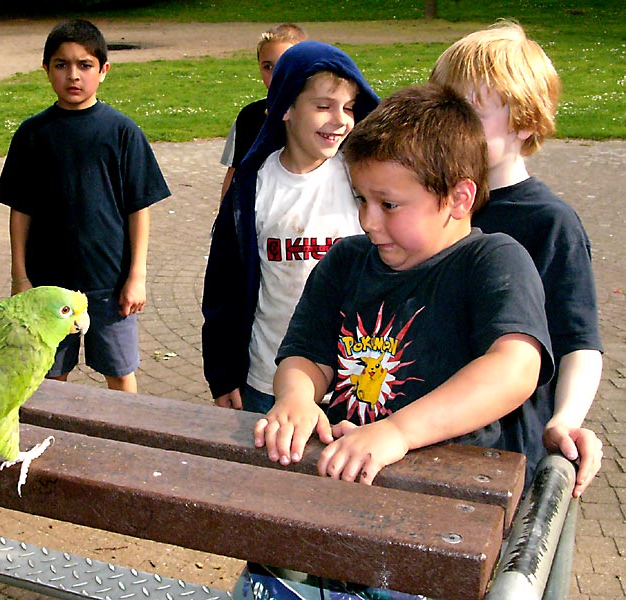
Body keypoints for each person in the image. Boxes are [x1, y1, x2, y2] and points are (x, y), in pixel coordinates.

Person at [240, 83, 553, 600]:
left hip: (436, 526)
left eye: (388, 204)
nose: (368, 220)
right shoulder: (345, 262)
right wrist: (295, 398)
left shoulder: (493, 261)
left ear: (458, 198)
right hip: (336, 500)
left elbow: (515, 367)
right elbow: (304, 355)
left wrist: (397, 432)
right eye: (361, 199)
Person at [430, 20, 604, 497]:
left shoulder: (550, 223)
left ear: (525, 121)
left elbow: (579, 342)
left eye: (468, 113)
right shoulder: (432, 203)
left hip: (503, 455)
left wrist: (566, 419)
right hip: (423, 433)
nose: (449, 127)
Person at [202, 41, 380, 413]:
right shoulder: (252, 187)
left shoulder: (363, 178)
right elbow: (224, 285)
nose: (341, 119)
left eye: (348, 107)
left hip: (358, 386)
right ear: (284, 108)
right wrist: (223, 374)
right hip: (267, 380)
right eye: (322, 106)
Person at [0, 19, 170, 393]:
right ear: (46, 70)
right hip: (47, 288)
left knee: (120, 374)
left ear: (103, 71)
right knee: (50, 377)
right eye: (61, 65)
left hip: (110, 284)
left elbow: (139, 209)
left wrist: (136, 277)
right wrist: (20, 276)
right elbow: (19, 209)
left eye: (85, 65)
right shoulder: (33, 134)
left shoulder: (122, 132)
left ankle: (127, 442)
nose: (73, 76)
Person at [219, 23, 308, 199]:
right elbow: (234, 174)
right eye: (268, 66)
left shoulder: (323, 113)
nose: (276, 74)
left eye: (285, 64)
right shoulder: (249, 117)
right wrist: (226, 219)